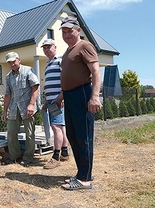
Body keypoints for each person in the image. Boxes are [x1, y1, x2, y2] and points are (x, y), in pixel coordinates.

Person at [54, 16, 102, 190]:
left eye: (69, 31)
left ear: (78, 30)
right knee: (73, 136)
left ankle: (85, 179)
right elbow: (67, 78)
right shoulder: (68, 51)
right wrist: (61, 96)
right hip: (70, 96)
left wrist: (95, 96)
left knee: (84, 136)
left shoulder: (85, 46)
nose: (66, 35)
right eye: (64, 32)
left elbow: (95, 71)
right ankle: (82, 172)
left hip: (82, 93)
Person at [1, 52, 40, 167]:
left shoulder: (28, 71)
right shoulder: (8, 77)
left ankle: (28, 158)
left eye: (13, 61)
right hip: (14, 108)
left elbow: (35, 87)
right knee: (11, 132)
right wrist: (5, 110)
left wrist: (31, 104)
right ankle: (14, 156)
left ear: (19, 60)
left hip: (28, 107)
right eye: (9, 62)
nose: (12, 64)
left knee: (29, 134)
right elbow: (8, 95)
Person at [40, 39, 70, 170]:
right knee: (61, 127)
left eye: (48, 47)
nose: (46, 50)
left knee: (55, 126)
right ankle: (64, 152)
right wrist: (47, 100)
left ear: (55, 47)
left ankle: (55, 156)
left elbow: (66, 78)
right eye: (44, 48)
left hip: (58, 100)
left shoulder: (60, 60)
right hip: (52, 101)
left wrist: (62, 96)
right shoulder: (48, 64)